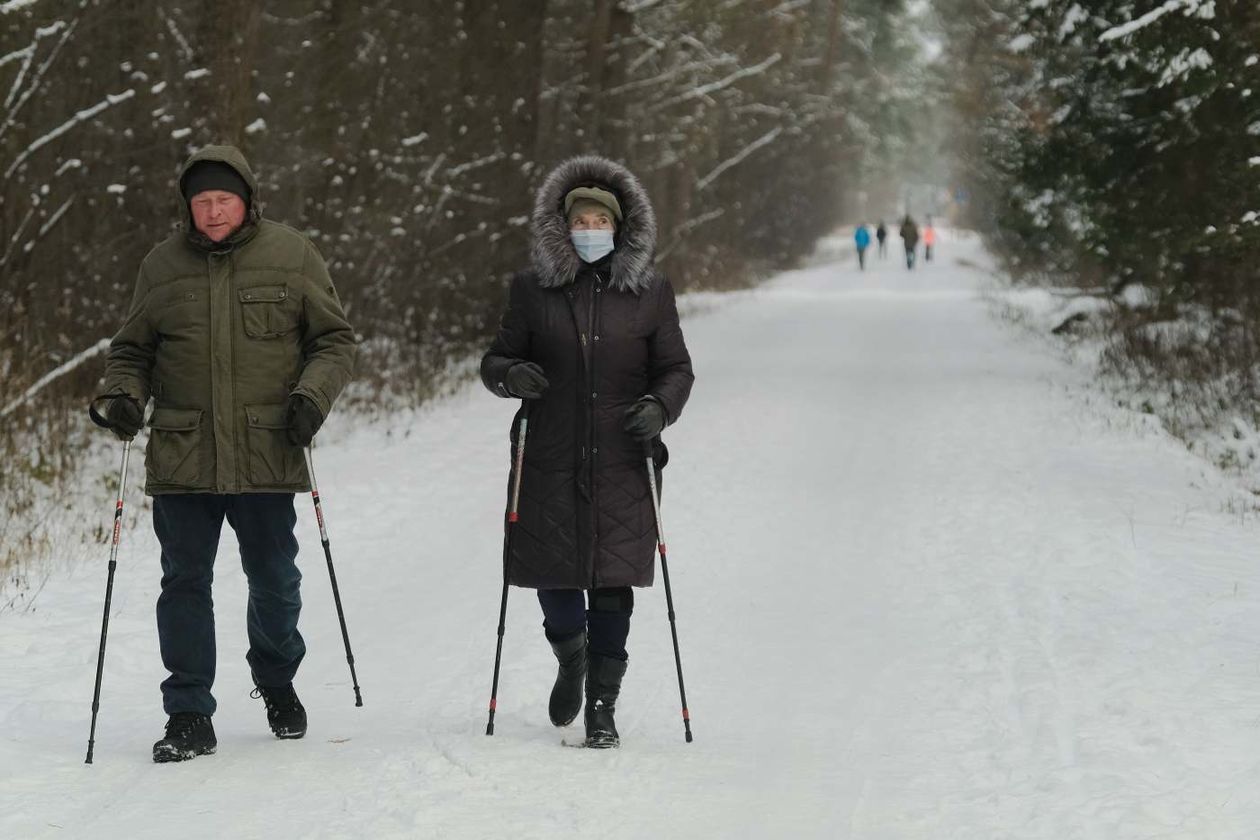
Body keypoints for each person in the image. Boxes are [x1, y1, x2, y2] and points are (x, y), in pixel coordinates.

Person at [94, 145, 356, 763]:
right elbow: (130, 352)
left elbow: (334, 341)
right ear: (188, 206)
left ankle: (276, 676)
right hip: (184, 451)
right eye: (202, 201)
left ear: (247, 201)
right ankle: (188, 712)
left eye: (224, 200)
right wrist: (123, 396)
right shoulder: (161, 266)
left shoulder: (292, 254)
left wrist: (311, 399)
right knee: (184, 583)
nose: (213, 212)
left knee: (275, 580)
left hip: (269, 446)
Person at [481, 155, 694, 749]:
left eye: (602, 219)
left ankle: (602, 705)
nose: (591, 228)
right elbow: (494, 361)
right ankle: (570, 655)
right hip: (549, 451)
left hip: (624, 454)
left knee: (611, 579)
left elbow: (676, 368)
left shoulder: (650, 291)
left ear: (622, 226)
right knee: (555, 574)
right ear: (564, 225)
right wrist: (511, 375)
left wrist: (660, 406)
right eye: (582, 219)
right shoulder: (532, 288)